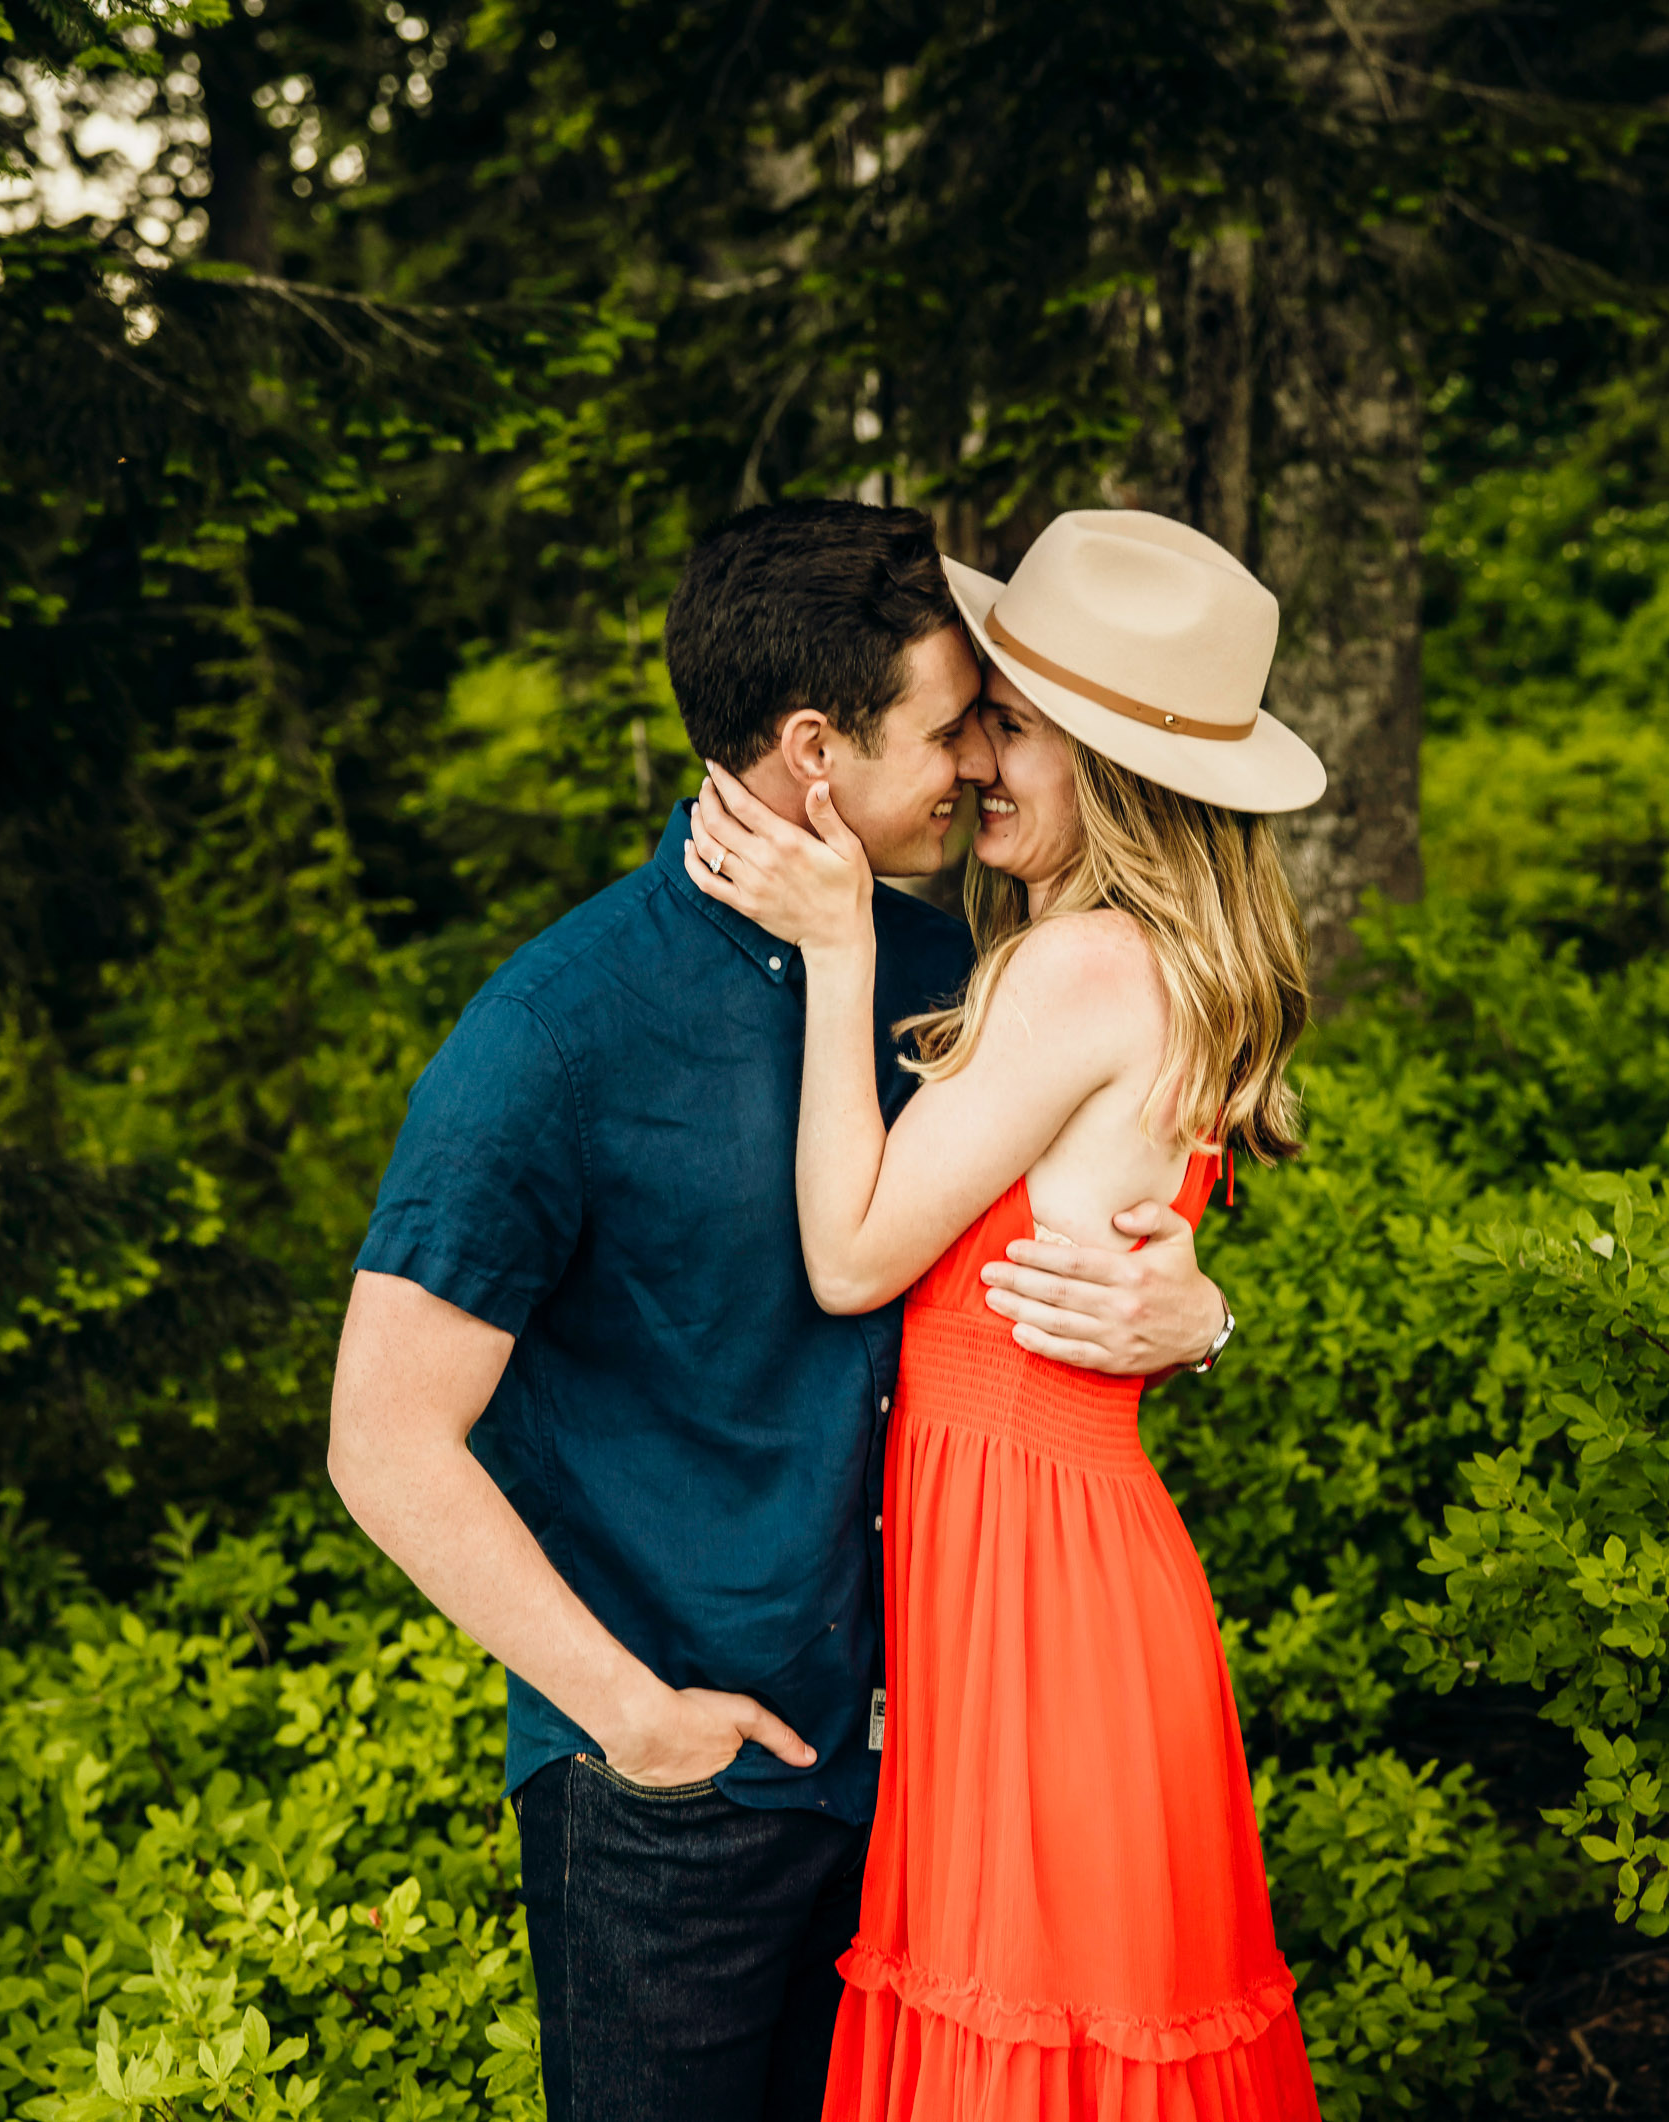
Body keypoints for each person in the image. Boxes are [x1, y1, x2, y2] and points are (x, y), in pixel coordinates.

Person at [325, 500, 1235, 2122]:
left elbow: (1075, 1216)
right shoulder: (554, 1030)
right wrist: (630, 1717)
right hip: (686, 1794)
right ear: (819, 749)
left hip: (944, 1763)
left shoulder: (947, 957)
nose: (973, 764)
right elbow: (384, 1435)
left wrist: (1191, 1304)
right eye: (954, 727)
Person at [684, 507, 1328, 2121]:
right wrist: (1203, 1319)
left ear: (1107, 769)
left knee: (1030, 2044)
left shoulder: (1080, 970)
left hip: (1039, 1596)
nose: (973, 755)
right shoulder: (1160, 963)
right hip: (1058, 1576)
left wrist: (838, 946)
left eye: (1010, 726)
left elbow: (849, 1256)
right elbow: (1084, 1305)